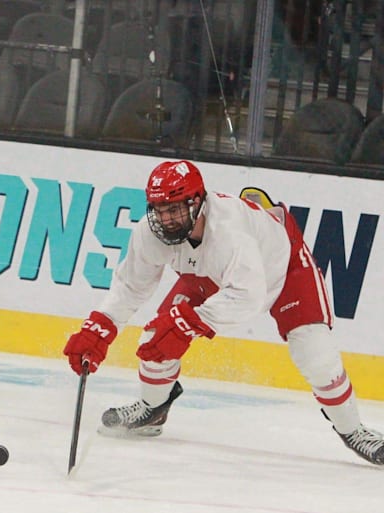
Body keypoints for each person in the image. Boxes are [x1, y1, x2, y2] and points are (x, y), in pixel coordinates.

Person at [62, 160, 384, 466]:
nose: (167, 220)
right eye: (160, 211)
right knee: (157, 338)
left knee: (315, 355)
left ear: (198, 202)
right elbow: (131, 287)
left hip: (284, 269)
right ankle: (153, 408)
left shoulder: (228, 231)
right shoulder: (150, 232)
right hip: (213, 276)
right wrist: (99, 327)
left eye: (175, 209)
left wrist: (188, 323)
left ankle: (353, 430)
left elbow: (249, 296)